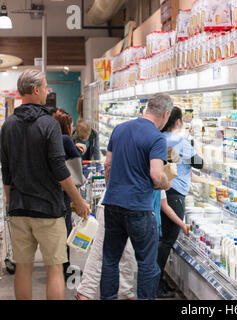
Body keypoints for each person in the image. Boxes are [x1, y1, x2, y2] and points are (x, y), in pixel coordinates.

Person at [0, 69, 90, 300]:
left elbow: (6, 170)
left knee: (23, 267)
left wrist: (11, 201)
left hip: (20, 208)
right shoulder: (48, 124)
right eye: (46, 86)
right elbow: (60, 169)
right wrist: (79, 202)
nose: (48, 91)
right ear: (36, 90)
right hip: (48, 210)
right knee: (54, 269)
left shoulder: (8, 125)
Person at [100, 93, 174, 300]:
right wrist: (166, 183)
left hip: (113, 204)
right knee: (147, 264)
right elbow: (156, 174)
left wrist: (112, 188)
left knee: (110, 259)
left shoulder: (120, 129)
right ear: (165, 114)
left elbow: (107, 164)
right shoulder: (156, 137)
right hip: (139, 208)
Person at [75, 189, 189, 300]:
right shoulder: (145, 172)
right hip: (118, 206)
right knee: (101, 253)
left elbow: (164, 201)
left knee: (127, 255)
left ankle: (124, 291)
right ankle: (85, 291)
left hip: (129, 208)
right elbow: (159, 181)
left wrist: (182, 224)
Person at [157, 106, 204, 298]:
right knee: (168, 240)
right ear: (178, 122)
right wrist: (197, 141)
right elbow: (200, 163)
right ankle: (156, 284)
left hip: (162, 189)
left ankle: (157, 281)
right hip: (175, 193)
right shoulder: (181, 141)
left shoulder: (160, 138)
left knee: (162, 238)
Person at [54, 111, 82, 281]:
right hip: (65, 189)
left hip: (53, 190)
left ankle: (60, 264)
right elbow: (76, 158)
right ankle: (65, 268)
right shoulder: (65, 139)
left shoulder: (52, 139)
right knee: (66, 228)